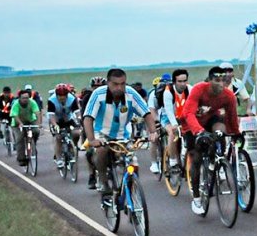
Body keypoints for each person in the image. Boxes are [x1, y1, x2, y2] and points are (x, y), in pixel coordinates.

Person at [83, 68, 158, 196]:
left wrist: (152, 132)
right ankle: (103, 181)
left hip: (123, 135)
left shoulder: (131, 94)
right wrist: (92, 140)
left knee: (132, 161)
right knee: (101, 151)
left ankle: (132, 189)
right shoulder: (98, 94)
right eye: (115, 84)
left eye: (122, 84)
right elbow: (88, 118)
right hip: (102, 133)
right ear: (108, 83)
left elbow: (146, 113)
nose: (119, 88)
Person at [181, 66, 240, 215]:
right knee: (197, 158)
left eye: (224, 80)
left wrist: (236, 133)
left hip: (210, 120)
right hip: (191, 124)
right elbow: (188, 113)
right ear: (209, 80)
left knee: (220, 129)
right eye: (217, 80)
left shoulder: (229, 96)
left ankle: (216, 161)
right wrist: (199, 132)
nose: (221, 84)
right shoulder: (199, 89)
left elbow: (231, 117)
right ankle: (196, 198)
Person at [160, 69, 191, 171]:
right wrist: (174, 125)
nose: (183, 84)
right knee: (173, 133)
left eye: (184, 81)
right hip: (168, 117)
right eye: (180, 81)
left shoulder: (189, 89)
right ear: (174, 82)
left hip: (183, 117)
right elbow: (169, 111)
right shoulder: (168, 92)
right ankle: (173, 160)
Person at [80, 76, 107, 189]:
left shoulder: (109, 96)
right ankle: (92, 174)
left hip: (107, 127)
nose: (98, 89)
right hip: (91, 127)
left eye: (100, 87)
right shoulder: (88, 98)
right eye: (95, 87)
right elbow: (85, 116)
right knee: (90, 152)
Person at [47, 83, 81, 168]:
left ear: (67, 95)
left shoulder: (72, 99)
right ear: (56, 95)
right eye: (59, 96)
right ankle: (58, 158)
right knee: (58, 137)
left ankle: (72, 147)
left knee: (76, 133)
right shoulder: (51, 100)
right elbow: (51, 115)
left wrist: (80, 120)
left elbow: (77, 112)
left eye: (64, 96)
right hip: (56, 120)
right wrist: (55, 125)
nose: (62, 98)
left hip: (68, 119)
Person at [11, 90, 41, 166]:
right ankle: (21, 158)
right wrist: (20, 123)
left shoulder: (32, 102)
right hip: (17, 123)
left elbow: (37, 113)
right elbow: (15, 115)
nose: (25, 100)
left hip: (30, 121)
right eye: (23, 98)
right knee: (20, 138)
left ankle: (33, 144)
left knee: (36, 131)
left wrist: (39, 123)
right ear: (20, 98)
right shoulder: (16, 104)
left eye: (27, 98)